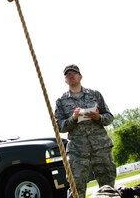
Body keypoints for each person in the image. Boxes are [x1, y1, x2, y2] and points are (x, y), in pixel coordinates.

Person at [54, 64, 116, 198]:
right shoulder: (60, 101)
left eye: (73, 73)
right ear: (65, 80)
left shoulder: (95, 95)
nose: (70, 76)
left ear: (80, 76)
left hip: (101, 147)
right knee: (76, 188)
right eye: (67, 74)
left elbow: (109, 117)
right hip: (77, 150)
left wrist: (98, 117)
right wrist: (73, 118)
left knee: (108, 187)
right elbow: (60, 127)